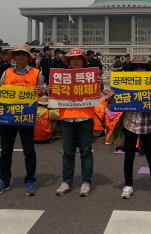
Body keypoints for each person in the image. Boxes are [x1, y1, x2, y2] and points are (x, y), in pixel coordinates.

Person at [104, 56, 151, 199]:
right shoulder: (124, 82)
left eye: (142, 67)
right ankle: (128, 185)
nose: (139, 69)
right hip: (130, 123)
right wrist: (110, 96)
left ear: (147, 69)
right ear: (131, 69)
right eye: (136, 67)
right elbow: (113, 104)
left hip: (148, 123)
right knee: (129, 155)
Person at [0, 44, 46, 196]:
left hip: (26, 116)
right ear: (14, 57)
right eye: (18, 53)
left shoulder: (36, 73)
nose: (20, 56)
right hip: (8, 117)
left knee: (29, 151)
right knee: (5, 151)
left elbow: (43, 91)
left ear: (28, 57)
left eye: (23, 54)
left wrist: (41, 91)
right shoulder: (7, 72)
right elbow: (0, 91)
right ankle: (4, 180)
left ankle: (30, 180)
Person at [53, 48, 98, 197]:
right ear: (69, 61)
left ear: (84, 61)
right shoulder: (61, 77)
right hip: (67, 117)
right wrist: (50, 90)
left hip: (85, 117)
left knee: (86, 152)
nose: (76, 61)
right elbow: (54, 96)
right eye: (73, 59)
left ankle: (86, 181)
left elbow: (98, 95)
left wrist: (98, 83)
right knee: (68, 152)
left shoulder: (91, 76)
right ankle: (66, 181)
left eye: (79, 58)